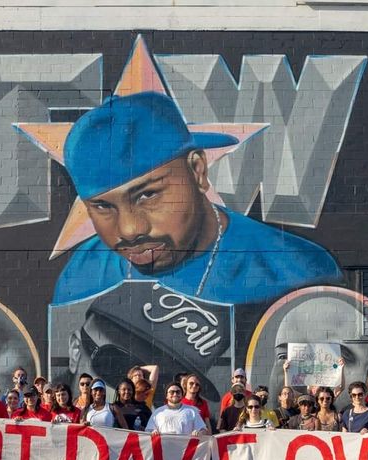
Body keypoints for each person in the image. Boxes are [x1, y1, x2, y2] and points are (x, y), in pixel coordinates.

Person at [49, 92, 341, 305]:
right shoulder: (82, 274)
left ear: (197, 170)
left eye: (147, 195)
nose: (129, 230)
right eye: (103, 206)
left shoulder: (295, 269)